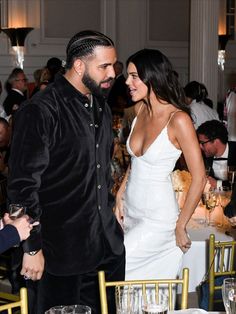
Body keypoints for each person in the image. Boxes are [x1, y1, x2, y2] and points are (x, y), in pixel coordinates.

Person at [7, 30, 125, 314]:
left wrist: (111, 214)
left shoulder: (101, 107)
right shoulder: (41, 110)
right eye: (104, 67)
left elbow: (99, 172)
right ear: (79, 65)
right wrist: (32, 248)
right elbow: (22, 187)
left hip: (105, 246)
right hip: (59, 251)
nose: (112, 74)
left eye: (113, 65)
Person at [114, 49, 206, 280]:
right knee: (131, 290)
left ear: (152, 77)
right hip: (131, 211)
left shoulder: (179, 120)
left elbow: (200, 177)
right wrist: (120, 195)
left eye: (134, 76)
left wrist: (180, 225)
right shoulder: (140, 109)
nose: (127, 82)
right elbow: (136, 162)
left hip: (158, 219)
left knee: (118, 267)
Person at [197, 120, 236, 189]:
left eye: (202, 143)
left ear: (216, 141)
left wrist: (218, 184)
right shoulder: (203, 156)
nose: (200, 146)